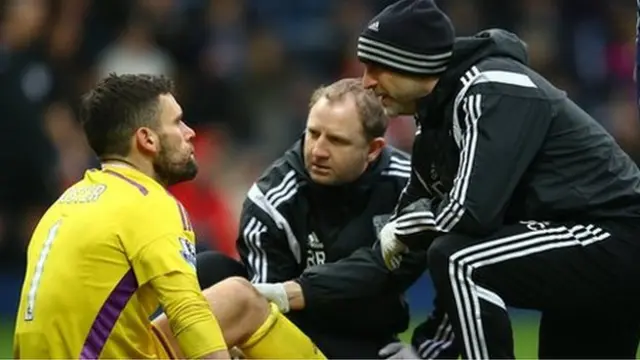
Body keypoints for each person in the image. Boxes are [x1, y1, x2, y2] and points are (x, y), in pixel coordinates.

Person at [357, 0, 640, 359]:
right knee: (457, 256)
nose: (366, 81)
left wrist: (404, 228)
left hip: (615, 236)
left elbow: (469, 214)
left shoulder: (493, 86)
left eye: (376, 66)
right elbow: (428, 234)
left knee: (460, 260)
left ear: (414, 60)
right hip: (580, 252)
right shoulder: (436, 120)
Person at [13, 73, 324, 360]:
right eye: (178, 123)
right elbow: (188, 312)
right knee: (237, 306)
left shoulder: (67, 203)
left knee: (237, 299)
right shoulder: (148, 204)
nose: (190, 133)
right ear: (147, 139)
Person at [197, 78, 428, 358]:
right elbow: (267, 304)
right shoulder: (271, 198)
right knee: (208, 269)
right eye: (313, 133)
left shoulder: (409, 186)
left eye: (337, 141)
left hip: (369, 334)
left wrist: (424, 350)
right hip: (297, 329)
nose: (318, 151)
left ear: (373, 149)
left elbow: (400, 270)